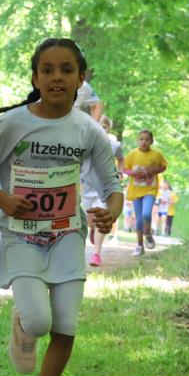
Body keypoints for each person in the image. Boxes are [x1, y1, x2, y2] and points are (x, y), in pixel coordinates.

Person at [0, 38, 122, 376]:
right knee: (37, 320)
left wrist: (110, 213)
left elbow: (112, 184)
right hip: (21, 235)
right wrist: (2, 199)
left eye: (67, 70)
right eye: (47, 70)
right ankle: (23, 328)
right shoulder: (15, 123)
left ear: (81, 79)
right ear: (35, 78)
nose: (57, 78)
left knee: (65, 324)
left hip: (66, 235)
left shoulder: (87, 130)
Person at [85, 114, 124, 266]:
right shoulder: (86, 142)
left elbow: (121, 160)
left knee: (102, 216)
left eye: (105, 126)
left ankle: (96, 253)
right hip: (88, 187)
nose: (102, 129)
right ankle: (92, 229)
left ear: (109, 129)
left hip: (105, 188)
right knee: (91, 220)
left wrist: (119, 173)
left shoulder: (114, 145)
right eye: (99, 125)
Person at [123, 130, 167, 256]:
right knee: (139, 220)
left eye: (147, 139)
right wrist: (133, 173)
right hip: (136, 191)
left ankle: (147, 233)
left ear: (151, 141)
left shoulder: (156, 155)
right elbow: (124, 168)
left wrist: (155, 169)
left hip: (150, 189)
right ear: (138, 141)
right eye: (141, 139)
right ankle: (139, 246)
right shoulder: (132, 154)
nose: (144, 142)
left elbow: (164, 166)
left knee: (146, 214)